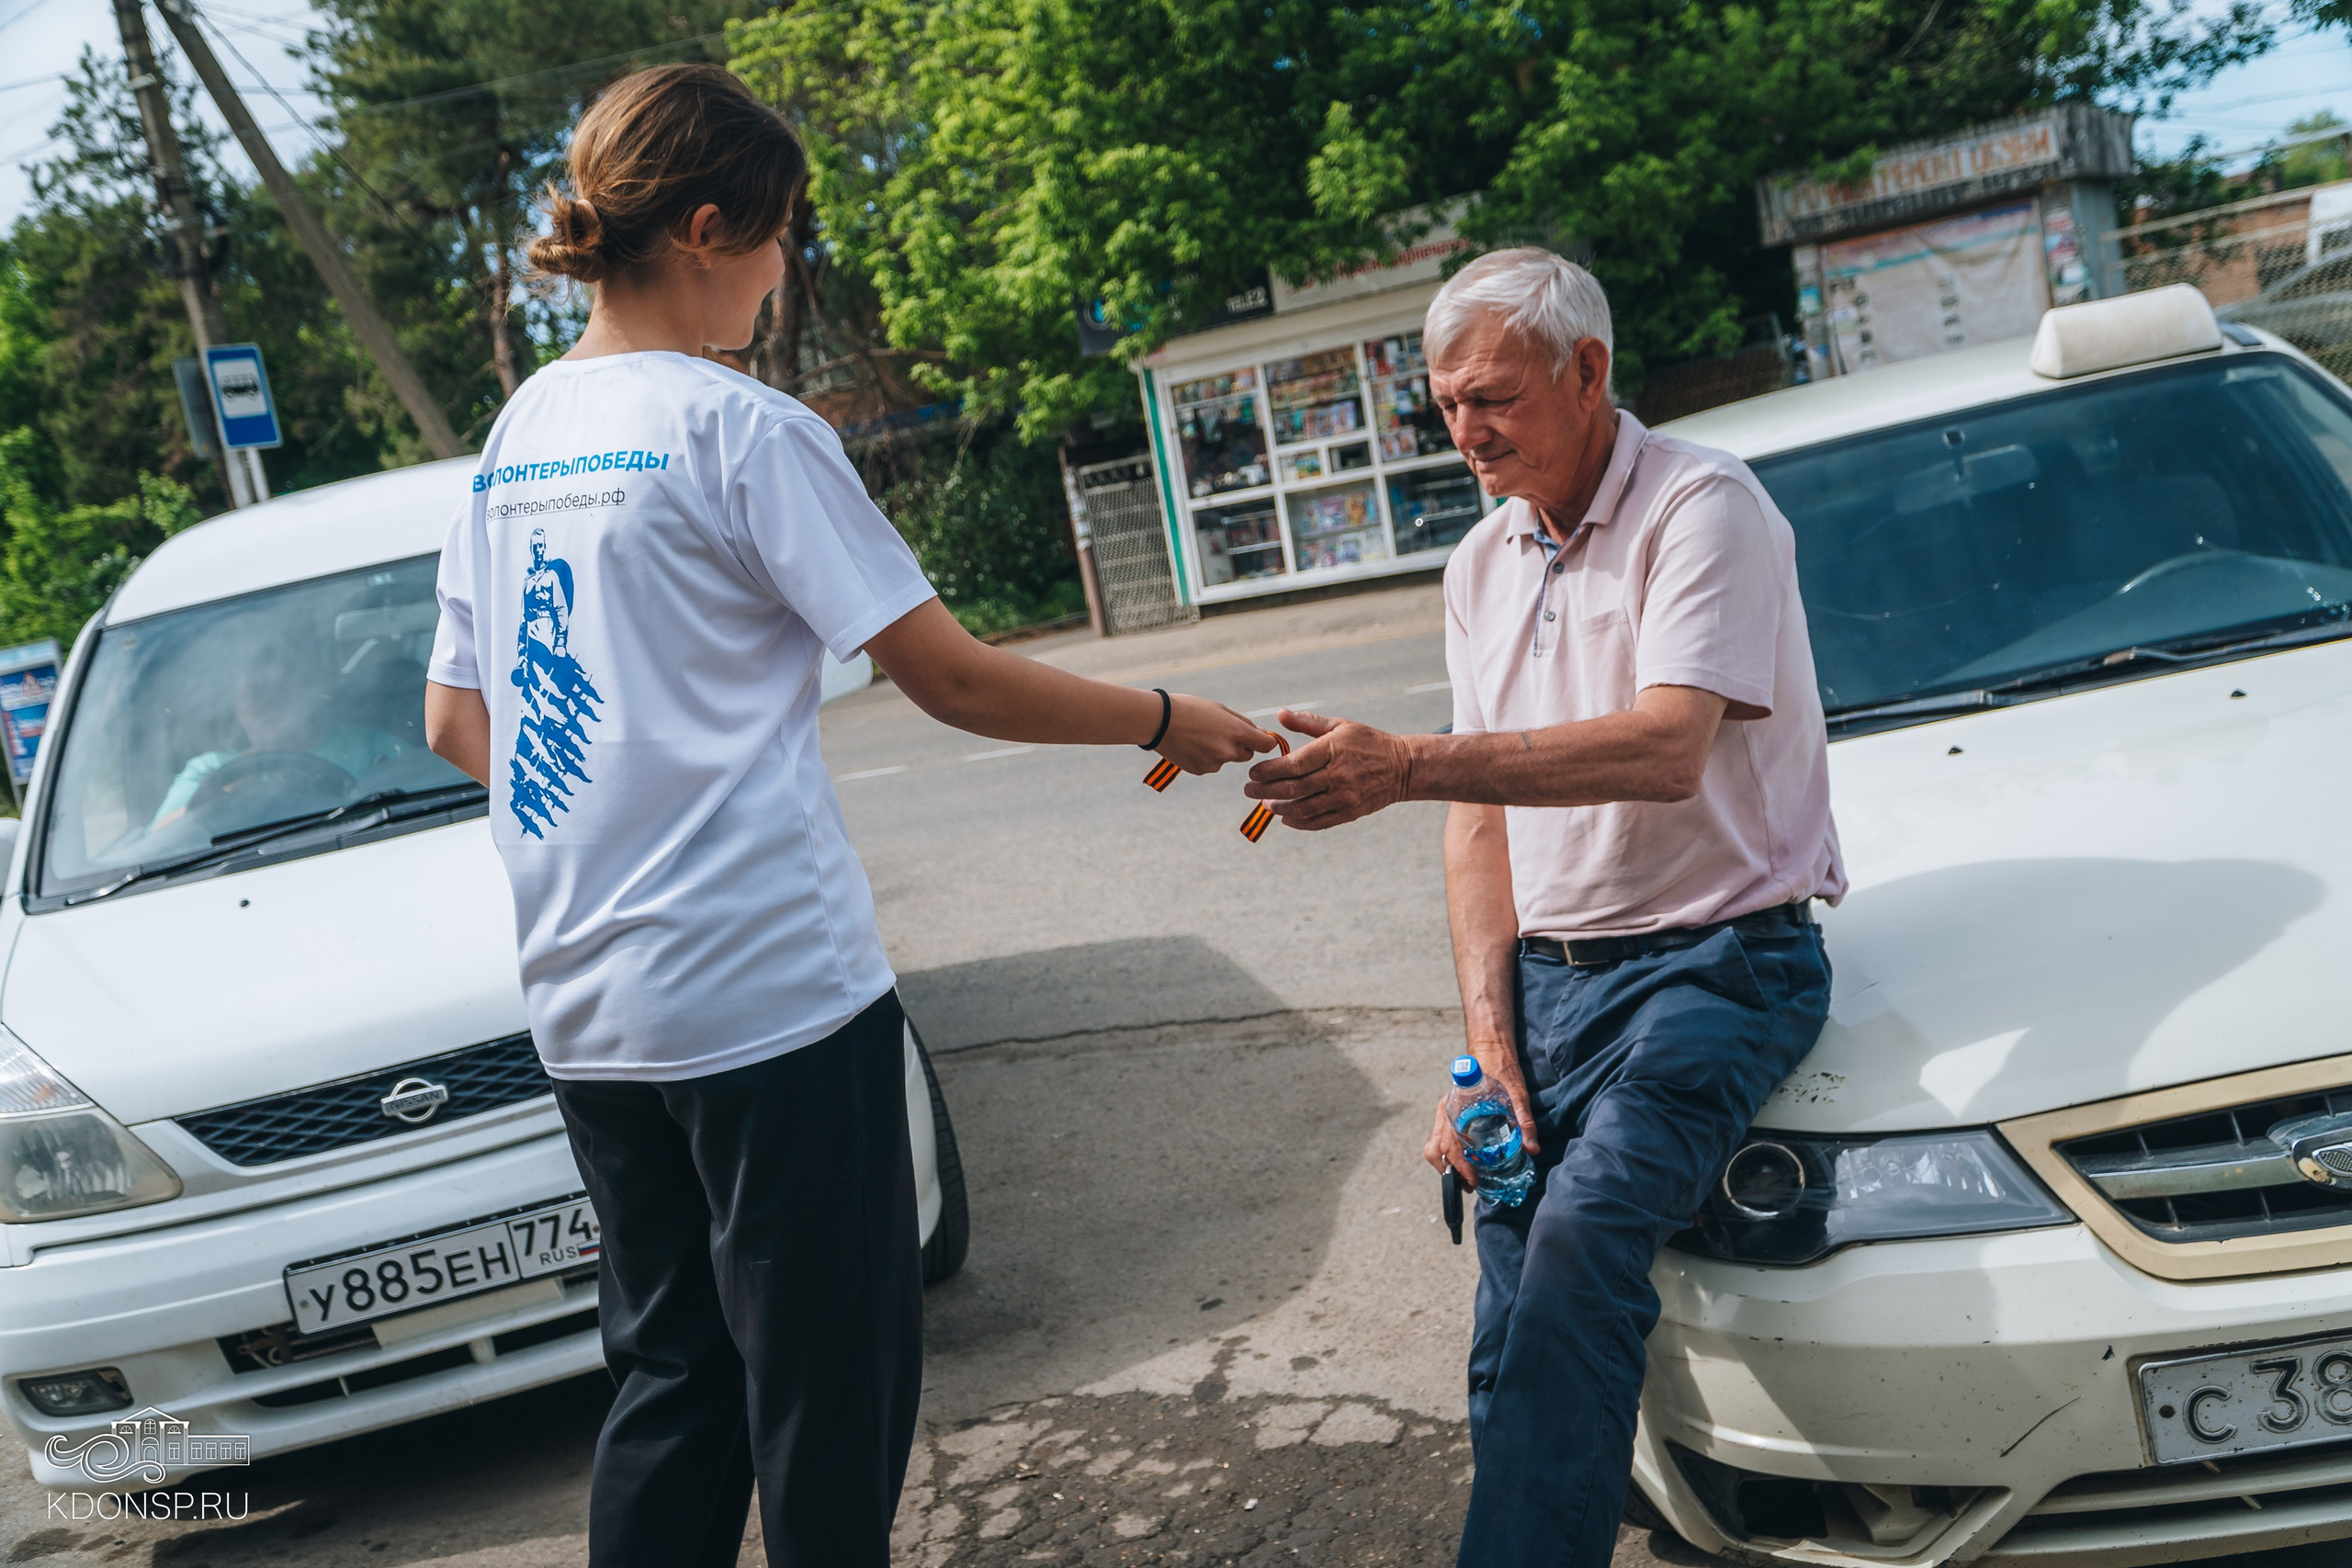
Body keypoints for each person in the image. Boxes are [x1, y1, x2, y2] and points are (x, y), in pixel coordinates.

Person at [421, 64, 1272, 1568]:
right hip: (767, 999)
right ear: (703, 228)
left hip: (590, 1007)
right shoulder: (739, 431)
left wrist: (605, 814)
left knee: (672, 1379)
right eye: (777, 238)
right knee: (827, 1394)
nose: (780, 272)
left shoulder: (517, 438)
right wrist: (1165, 719)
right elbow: (947, 678)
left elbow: (453, 718)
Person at [1242, 249, 1844, 1568]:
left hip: (1718, 966)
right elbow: (1479, 823)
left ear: (1589, 371)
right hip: (1554, 986)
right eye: (1448, 404)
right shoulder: (1480, 560)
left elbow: (1662, 747)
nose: (1466, 432)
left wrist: (1399, 761)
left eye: (1495, 398)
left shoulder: (1703, 506)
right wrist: (1487, 1049)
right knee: (1511, 1304)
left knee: (1576, 1254)